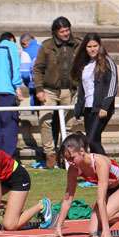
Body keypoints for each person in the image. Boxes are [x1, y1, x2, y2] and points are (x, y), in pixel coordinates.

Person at [53, 132, 119, 237]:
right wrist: (58, 226)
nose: (70, 163)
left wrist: (106, 232)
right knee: (93, 231)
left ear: (82, 151)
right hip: (110, 191)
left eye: (72, 158)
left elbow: (100, 200)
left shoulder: (100, 163)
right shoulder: (73, 170)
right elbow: (68, 198)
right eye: (67, 159)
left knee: (108, 216)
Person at [33, 16, 82, 169]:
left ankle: (65, 156)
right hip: (49, 90)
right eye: (62, 31)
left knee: (68, 126)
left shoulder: (78, 45)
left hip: (70, 90)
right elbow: (38, 69)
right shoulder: (46, 46)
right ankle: (49, 154)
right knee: (45, 120)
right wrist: (39, 90)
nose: (66, 34)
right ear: (55, 32)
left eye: (67, 30)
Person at [71, 33, 118, 156]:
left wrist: (105, 106)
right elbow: (82, 89)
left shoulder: (108, 62)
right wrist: (79, 110)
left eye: (95, 46)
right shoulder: (84, 64)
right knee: (94, 141)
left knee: (91, 140)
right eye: (89, 46)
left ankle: (111, 169)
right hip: (88, 108)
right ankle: (99, 171)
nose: (93, 49)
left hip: (101, 108)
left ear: (100, 46)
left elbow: (113, 85)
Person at [0, 32, 24, 158]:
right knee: (10, 126)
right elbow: (15, 67)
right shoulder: (11, 47)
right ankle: (7, 158)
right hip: (8, 91)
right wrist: (18, 87)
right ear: (12, 39)